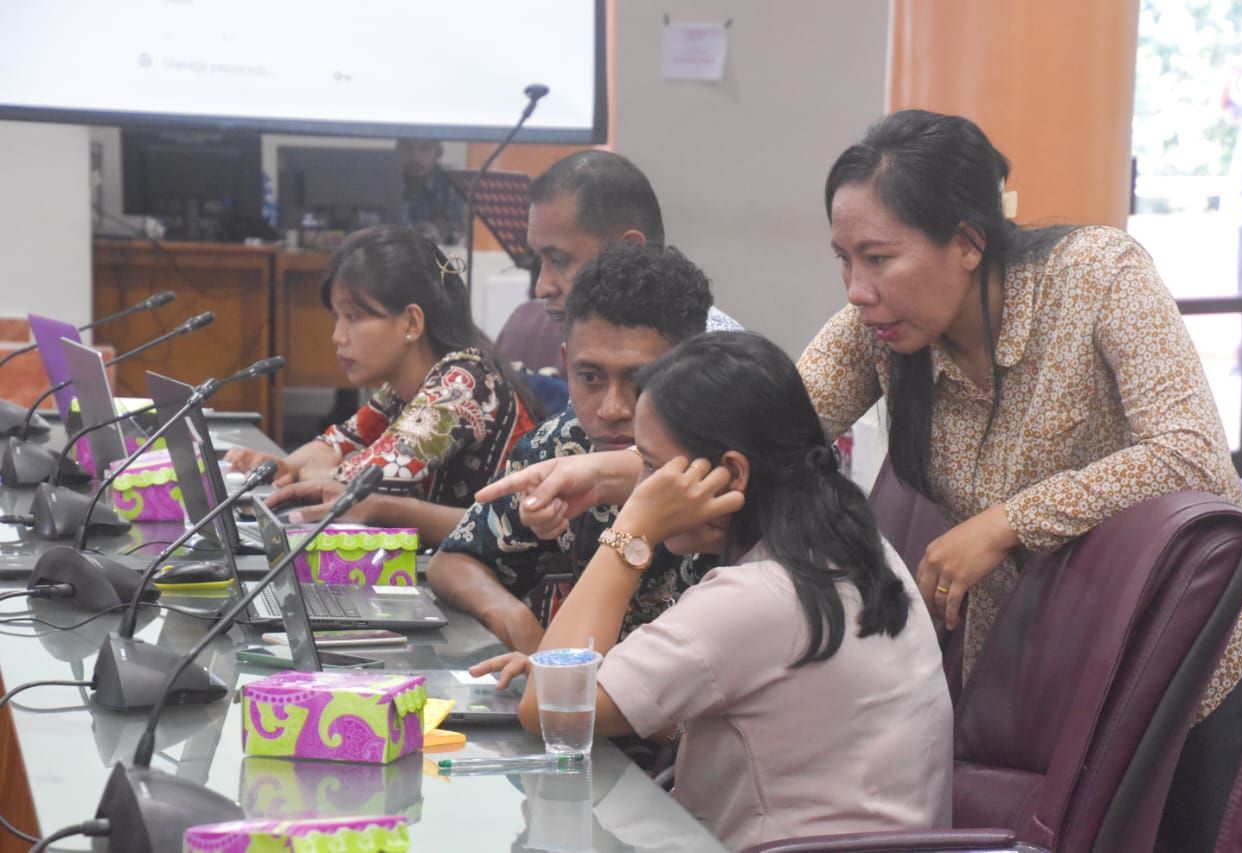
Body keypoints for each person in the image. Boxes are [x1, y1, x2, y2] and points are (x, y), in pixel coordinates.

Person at [797, 108, 1242, 852]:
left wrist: (1009, 521)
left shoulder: (1098, 275)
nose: (857, 289)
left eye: (879, 258)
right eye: (844, 260)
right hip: (1042, 679)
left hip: (1181, 661)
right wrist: (637, 463)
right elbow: (769, 421)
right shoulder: (884, 331)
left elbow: (1190, 455)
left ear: (967, 242)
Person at [472, 332, 952, 849]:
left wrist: (630, 532)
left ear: (732, 473)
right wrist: (575, 673)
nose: (640, 489)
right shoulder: (848, 543)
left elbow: (550, 712)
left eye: (652, 468)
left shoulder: (756, 595)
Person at [426, 242, 717, 655]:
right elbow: (453, 562)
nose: (612, 409)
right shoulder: (563, 443)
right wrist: (522, 627)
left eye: (641, 380)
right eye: (590, 377)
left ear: (694, 366)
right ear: (566, 362)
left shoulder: (735, 449)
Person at [225, 225, 537, 546]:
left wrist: (316, 472)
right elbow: (333, 445)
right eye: (337, 317)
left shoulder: (461, 384)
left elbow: (351, 487)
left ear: (412, 323)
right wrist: (285, 466)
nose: (337, 336)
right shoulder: (402, 387)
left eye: (353, 317)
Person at [521, 149, 741, 330]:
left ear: (629, 249)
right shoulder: (560, 332)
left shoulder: (713, 360)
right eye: (540, 259)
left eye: (559, 260)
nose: (541, 289)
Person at [398, 138, 465, 244]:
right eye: (408, 148)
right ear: (397, 150)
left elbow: (458, 234)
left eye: (424, 149)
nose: (415, 156)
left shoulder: (452, 184)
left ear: (439, 153)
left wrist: (439, 232)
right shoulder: (383, 179)